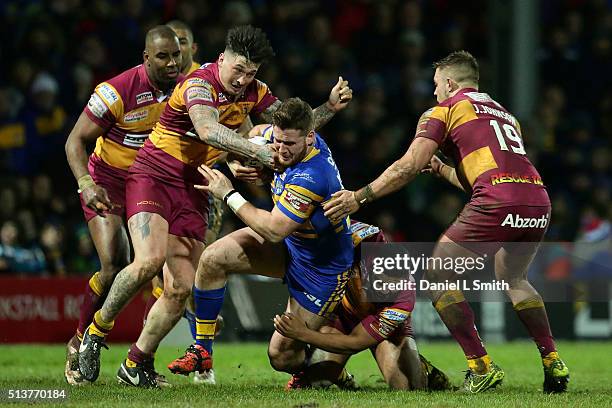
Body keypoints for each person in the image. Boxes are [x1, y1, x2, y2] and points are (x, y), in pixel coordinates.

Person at [78, 26, 352, 388]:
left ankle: (136, 363)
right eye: (237, 69)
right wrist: (254, 151)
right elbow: (207, 130)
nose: (242, 80)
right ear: (222, 59)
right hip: (154, 175)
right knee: (148, 261)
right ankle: (95, 333)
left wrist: (329, 107)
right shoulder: (199, 84)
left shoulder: (256, 92)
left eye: (250, 73)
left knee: (179, 288)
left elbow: (292, 128)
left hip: (195, 187)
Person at [323, 50, 569, 394]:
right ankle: (552, 360)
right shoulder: (504, 114)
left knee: (438, 274)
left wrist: (359, 197)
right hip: (537, 199)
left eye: (436, 84)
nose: (434, 91)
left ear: (450, 83)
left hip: (497, 200)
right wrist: (440, 169)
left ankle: (480, 366)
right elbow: (482, 174)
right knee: (514, 277)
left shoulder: (446, 109)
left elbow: (408, 165)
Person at [167, 98, 354, 388]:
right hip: (292, 247)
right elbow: (247, 139)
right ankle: (203, 350)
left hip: (322, 268)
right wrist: (236, 162)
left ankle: (330, 368)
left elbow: (273, 230)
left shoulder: (314, 174)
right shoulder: (277, 138)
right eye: (278, 141)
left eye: (289, 144)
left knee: (281, 357)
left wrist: (228, 194)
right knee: (213, 258)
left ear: (310, 136)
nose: (280, 149)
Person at [63, 25, 182, 385]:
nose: (172, 62)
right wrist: (86, 184)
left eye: (176, 55)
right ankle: (80, 340)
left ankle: (140, 361)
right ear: (146, 57)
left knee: (165, 274)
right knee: (114, 263)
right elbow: (74, 142)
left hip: (153, 181)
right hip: (109, 182)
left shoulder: (187, 89)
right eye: (163, 56)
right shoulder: (116, 91)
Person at [274, 220, 452, 391]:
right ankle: (339, 374)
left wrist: (303, 334)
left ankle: (422, 367)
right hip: (342, 316)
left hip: (386, 332)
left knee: (408, 387)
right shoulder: (363, 239)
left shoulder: (404, 298)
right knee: (314, 382)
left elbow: (355, 342)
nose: (385, 292)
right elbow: (325, 226)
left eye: (392, 287)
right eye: (380, 284)